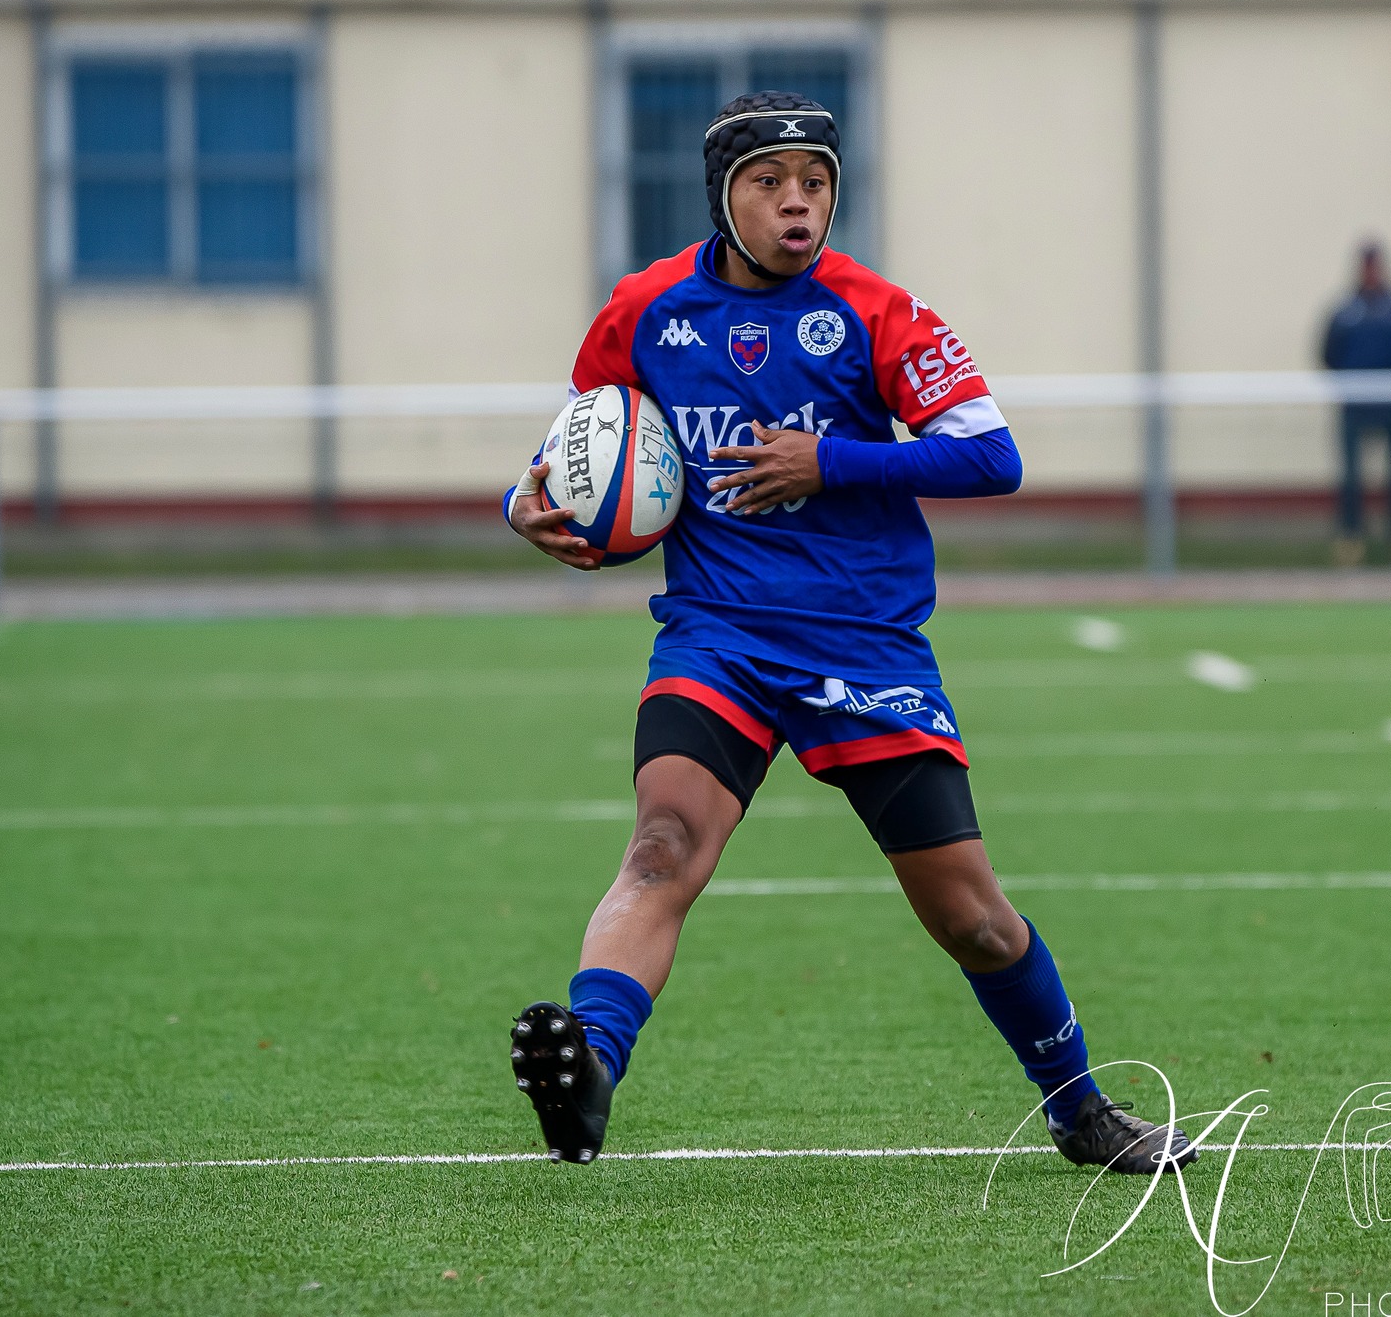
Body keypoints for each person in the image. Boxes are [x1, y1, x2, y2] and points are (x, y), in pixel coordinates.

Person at [500, 90, 1196, 1175]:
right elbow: (580, 447)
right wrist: (524, 505)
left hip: (862, 644)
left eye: (814, 183)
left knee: (969, 915)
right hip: (715, 636)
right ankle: (586, 1075)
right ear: (722, 198)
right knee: (659, 847)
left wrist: (830, 461)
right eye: (769, 183)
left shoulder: (878, 311)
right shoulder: (642, 310)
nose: (795, 204)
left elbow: (988, 455)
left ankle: (1078, 1107)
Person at [1321, 242, 1391, 567]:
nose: (1371, 273)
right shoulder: (1345, 311)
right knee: (1351, 479)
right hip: (1354, 405)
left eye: (1375, 266)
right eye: (1366, 266)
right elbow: (1328, 354)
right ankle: (1351, 540)